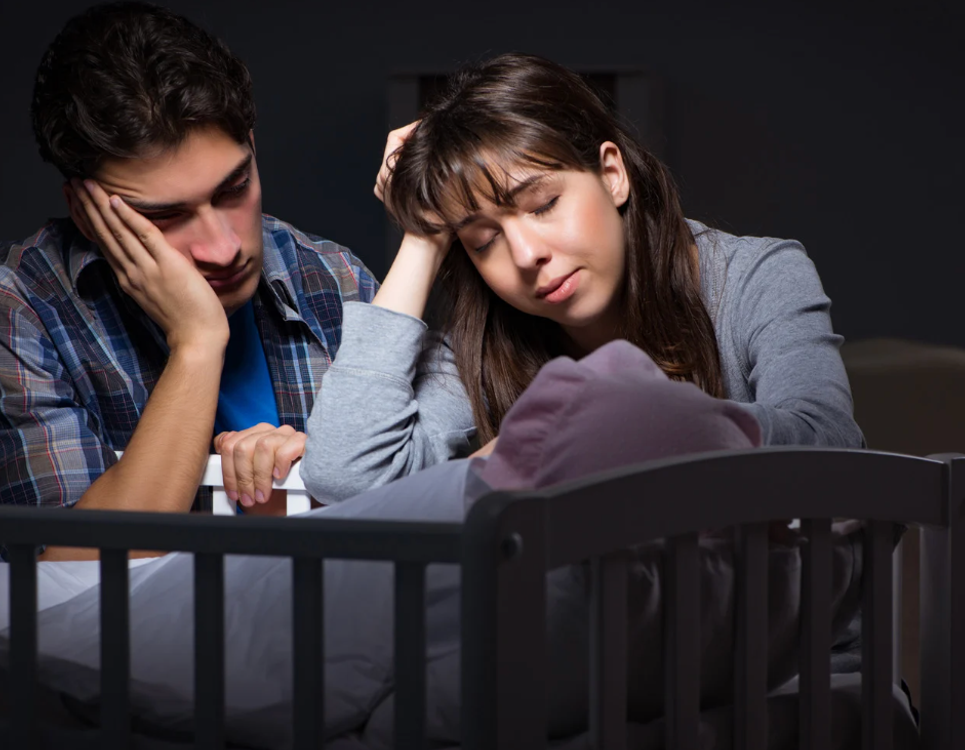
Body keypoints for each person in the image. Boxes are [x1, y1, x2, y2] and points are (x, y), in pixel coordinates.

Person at [0, 1, 377, 561]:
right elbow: (54, 592)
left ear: (253, 148)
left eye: (234, 189)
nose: (224, 247)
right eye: (164, 217)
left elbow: (412, 520)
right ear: (87, 214)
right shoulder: (2, 316)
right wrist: (197, 344)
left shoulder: (332, 278)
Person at [300, 51, 865, 504]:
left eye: (543, 204)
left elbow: (829, 441)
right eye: (482, 239)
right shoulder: (485, 339)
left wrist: (594, 433)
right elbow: (346, 474)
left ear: (613, 175)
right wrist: (423, 237)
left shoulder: (754, 276)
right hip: (597, 641)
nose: (524, 255)